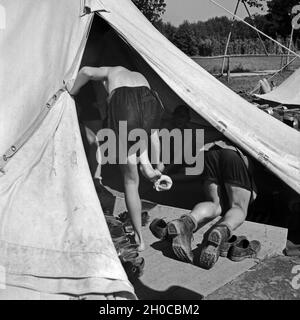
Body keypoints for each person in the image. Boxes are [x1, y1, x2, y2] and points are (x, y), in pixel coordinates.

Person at [66, 66, 172, 251]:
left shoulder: (110, 71)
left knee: (130, 181)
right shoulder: (140, 75)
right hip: (148, 101)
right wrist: (159, 163)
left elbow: (87, 72)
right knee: (145, 135)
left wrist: (72, 90)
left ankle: (140, 240)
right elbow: (152, 132)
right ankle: (150, 168)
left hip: (124, 106)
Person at [167, 139, 258, 269]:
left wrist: (167, 174)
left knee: (215, 204)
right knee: (238, 207)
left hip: (210, 152)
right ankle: (222, 229)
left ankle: (187, 222)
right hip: (235, 155)